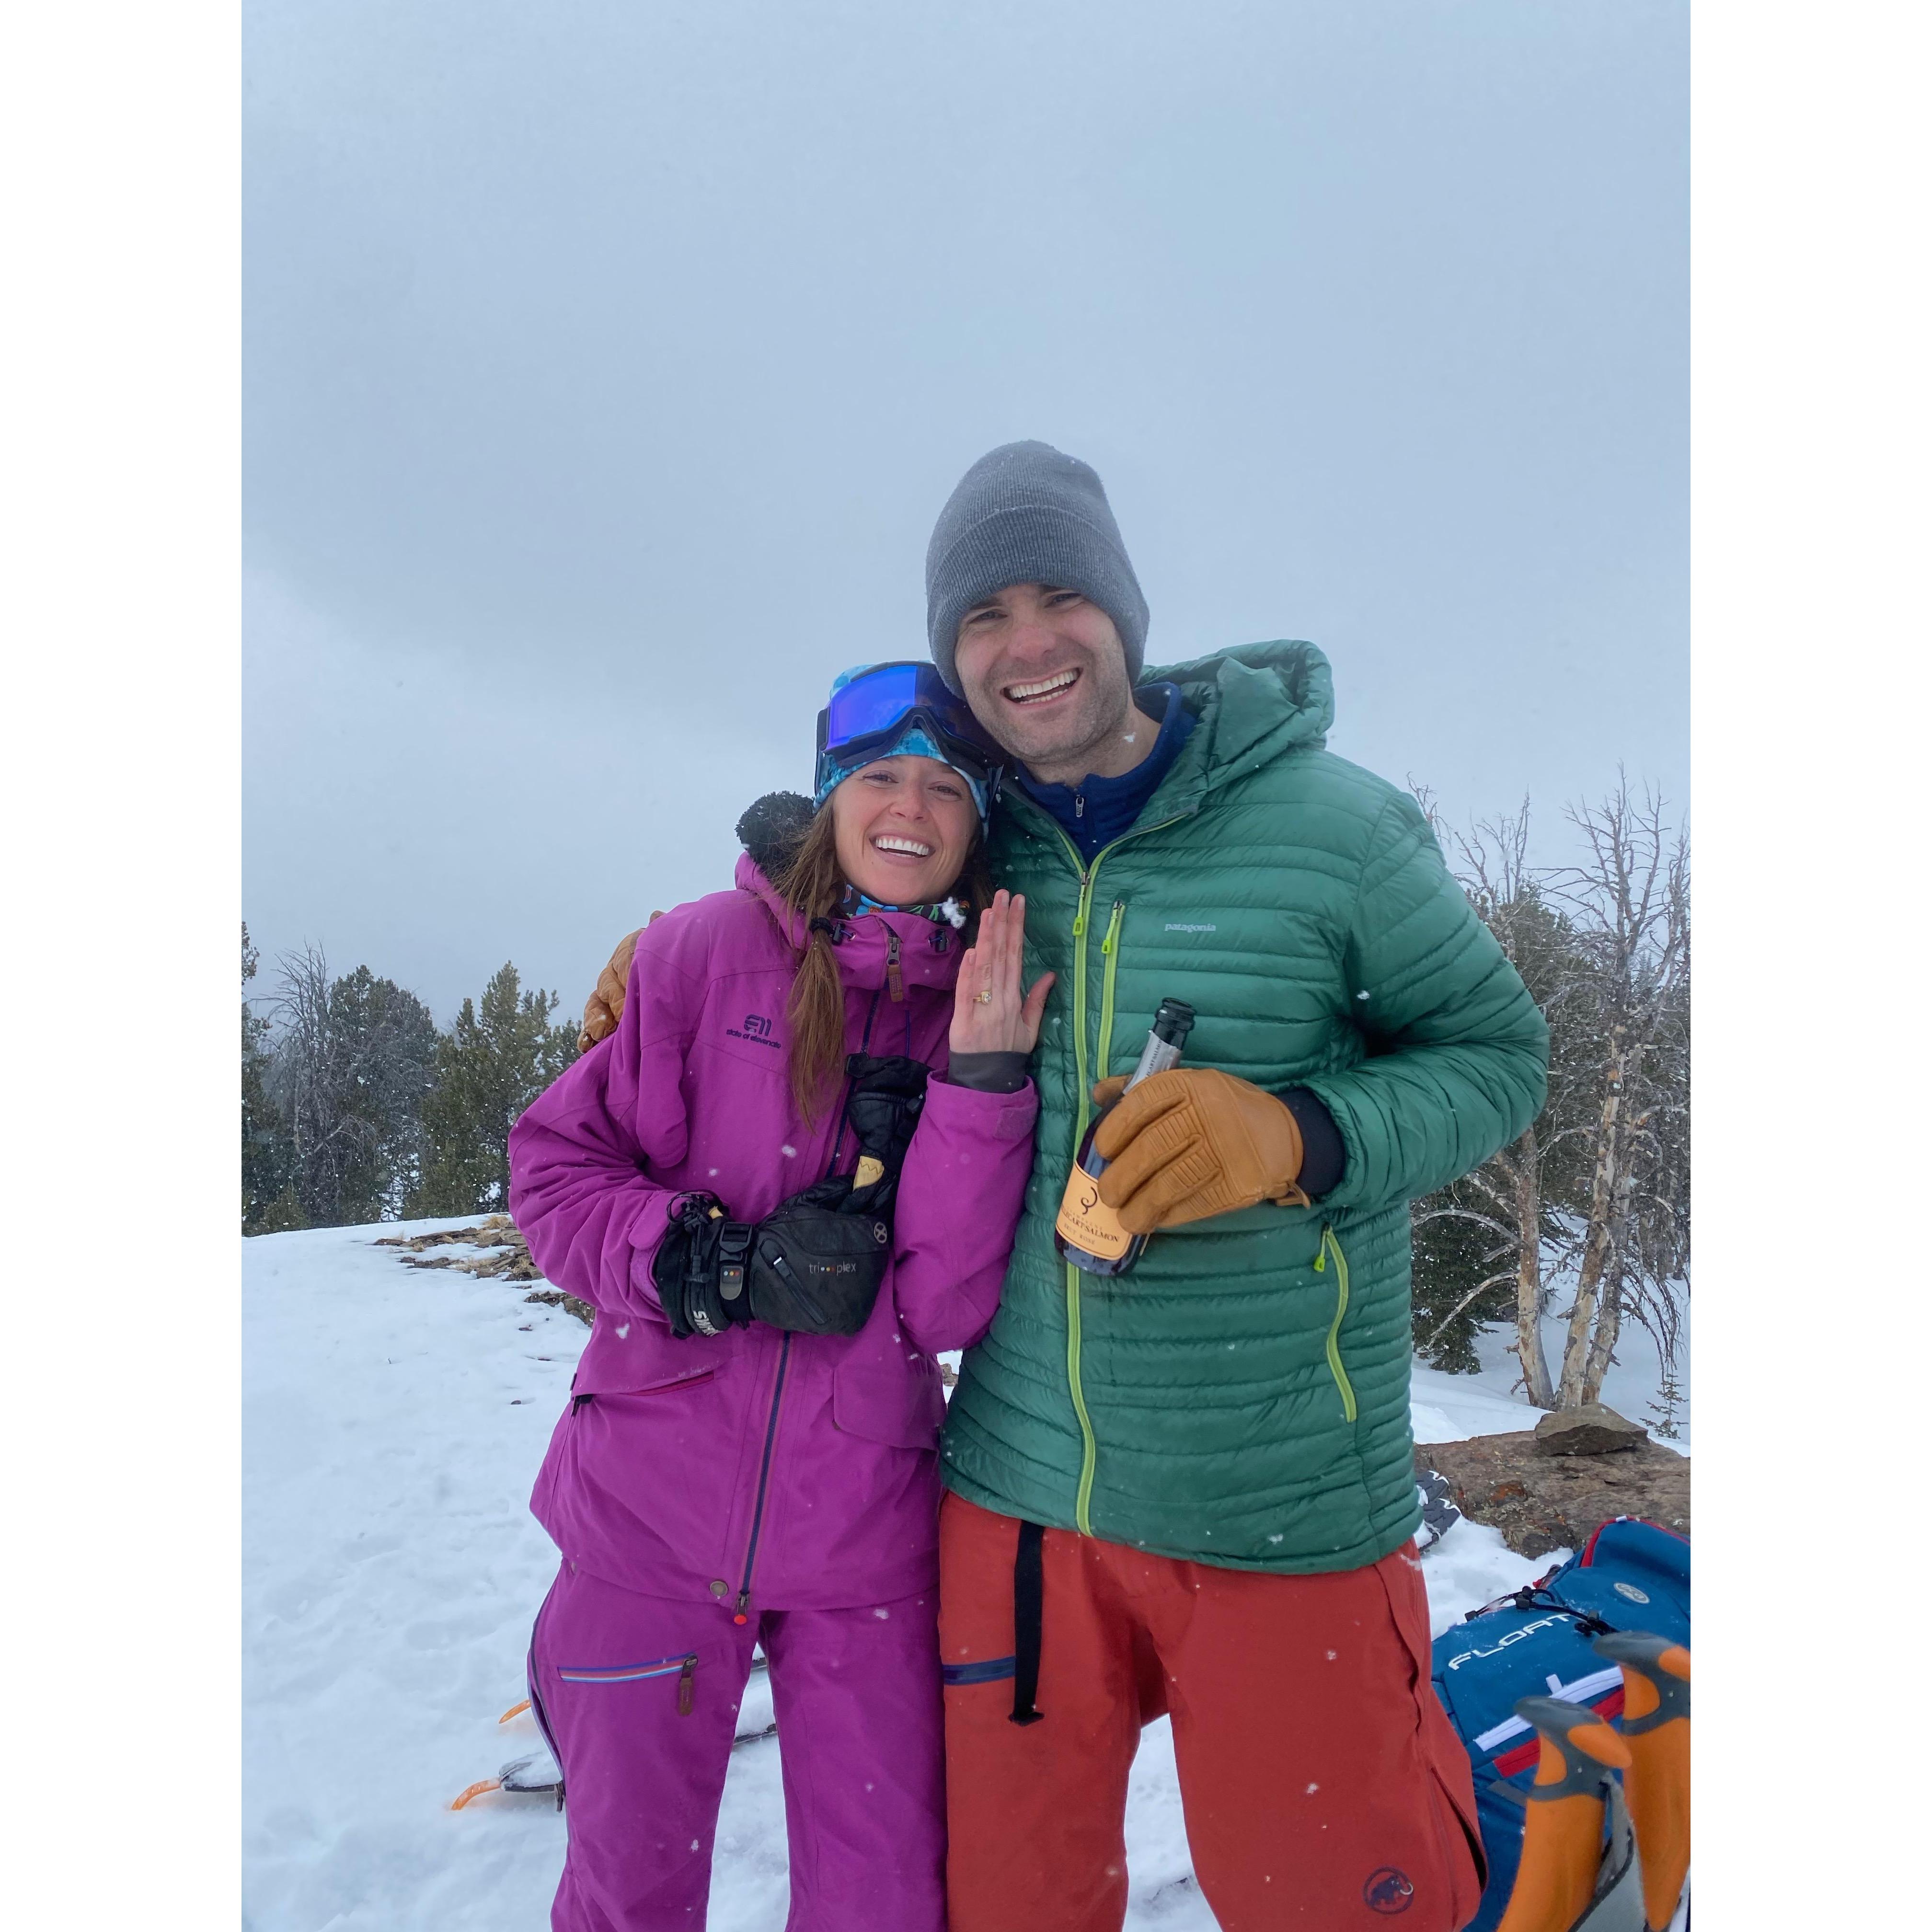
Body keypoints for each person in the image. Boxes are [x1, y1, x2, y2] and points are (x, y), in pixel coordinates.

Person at [915, 442, 1551, 1932]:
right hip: (1016, 1492)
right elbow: (822, 908)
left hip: (1277, 1502)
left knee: (1337, 1903)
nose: (1027, 644)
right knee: (1008, 1905)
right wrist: (699, 957)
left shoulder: (1332, 828)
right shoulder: (973, 836)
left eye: (1059, 595)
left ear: (1124, 613)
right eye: (984, 616)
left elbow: (1499, 1056)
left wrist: (1301, 1139)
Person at [506, 662, 1051, 1932]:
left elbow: (949, 1302)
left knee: (885, 1901)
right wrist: (700, 1259)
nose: (908, 806)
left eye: (943, 786)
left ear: (977, 824)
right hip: (643, 1521)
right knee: (626, 1890)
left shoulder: (981, 998)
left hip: (864, 1530)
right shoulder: (699, 954)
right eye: (879, 776)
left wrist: (977, 1082)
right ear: (829, 797)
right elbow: (553, 1166)